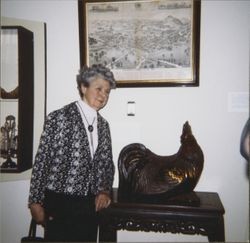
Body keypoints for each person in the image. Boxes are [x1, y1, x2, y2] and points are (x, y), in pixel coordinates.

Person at [28, 64, 116, 242]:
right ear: (84, 87)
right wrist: (35, 201)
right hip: (60, 203)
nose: (103, 95)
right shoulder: (59, 118)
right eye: (99, 88)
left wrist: (104, 191)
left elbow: (107, 164)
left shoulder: (104, 125)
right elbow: (42, 161)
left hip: (89, 205)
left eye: (107, 91)